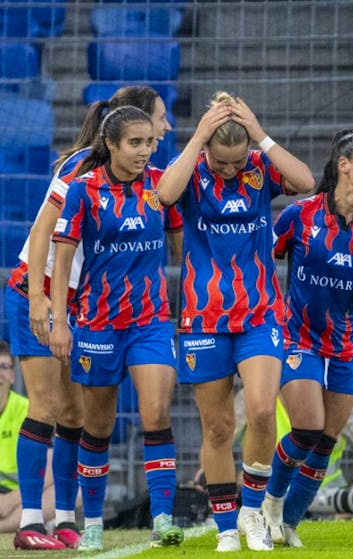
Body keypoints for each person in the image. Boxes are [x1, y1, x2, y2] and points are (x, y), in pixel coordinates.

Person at [4, 85, 175, 551]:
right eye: (162, 118)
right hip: (37, 294)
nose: (166, 127)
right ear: (131, 126)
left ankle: (64, 519)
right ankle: (30, 524)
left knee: (76, 414)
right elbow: (42, 233)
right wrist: (40, 301)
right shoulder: (81, 169)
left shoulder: (146, 176)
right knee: (44, 405)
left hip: (84, 305)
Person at [156, 91, 315, 552]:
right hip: (203, 319)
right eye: (221, 162)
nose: (229, 169)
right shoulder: (192, 172)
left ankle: (252, 510)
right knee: (219, 428)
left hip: (260, 313)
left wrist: (260, 136)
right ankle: (227, 529)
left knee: (264, 409)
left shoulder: (260, 168)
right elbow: (164, 194)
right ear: (207, 149)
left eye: (236, 160)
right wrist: (199, 136)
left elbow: (304, 180)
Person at [46, 106, 184, 551]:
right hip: (98, 324)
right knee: (97, 426)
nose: (146, 151)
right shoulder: (84, 190)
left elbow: (181, 246)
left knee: (157, 414)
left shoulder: (161, 188)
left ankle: (163, 519)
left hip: (150, 321)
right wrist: (61, 323)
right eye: (136, 143)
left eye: (150, 142)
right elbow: (64, 257)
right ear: (111, 145)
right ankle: (93, 524)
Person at [258, 130, 353, 548]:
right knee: (307, 428)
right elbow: (265, 260)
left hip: (348, 345)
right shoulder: (300, 215)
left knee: (326, 442)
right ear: (344, 165)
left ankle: (289, 526)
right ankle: (271, 501)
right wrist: (268, 317)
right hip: (299, 339)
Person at [0, 341, 57, 535]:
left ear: (13, 376)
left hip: (23, 495)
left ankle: (7, 526)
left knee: (76, 491)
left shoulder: (29, 410)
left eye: (4, 367)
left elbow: (50, 468)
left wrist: (11, 500)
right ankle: (29, 523)